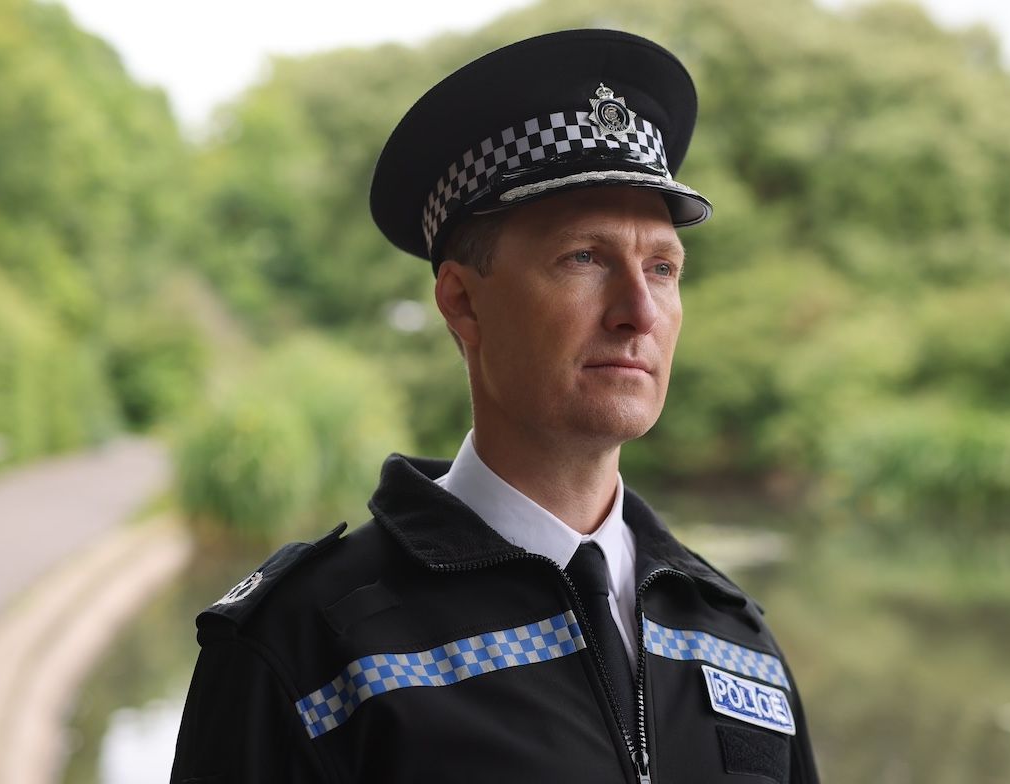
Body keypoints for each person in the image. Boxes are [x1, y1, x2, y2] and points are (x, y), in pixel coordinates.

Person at [170, 29, 820, 784]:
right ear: (462, 301)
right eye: (584, 258)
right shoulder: (306, 653)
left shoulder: (737, 641)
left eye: (662, 268)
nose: (639, 312)